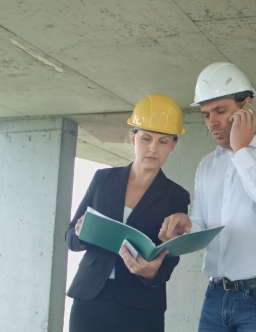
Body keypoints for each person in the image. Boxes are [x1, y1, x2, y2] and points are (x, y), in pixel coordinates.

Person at [159, 62, 256, 332]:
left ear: (247, 106)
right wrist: (187, 225)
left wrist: (241, 151)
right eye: (206, 115)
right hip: (216, 295)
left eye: (220, 111)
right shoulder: (208, 164)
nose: (212, 122)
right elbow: (202, 223)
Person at [65, 93, 191, 332]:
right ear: (133, 138)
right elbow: (70, 236)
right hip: (90, 297)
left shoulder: (177, 195)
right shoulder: (102, 179)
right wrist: (82, 232)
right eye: (146, 138)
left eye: (163, 141)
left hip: (140, 303)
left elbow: (171, 256)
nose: (153, 148)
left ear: (174, 145)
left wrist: (153, 272)